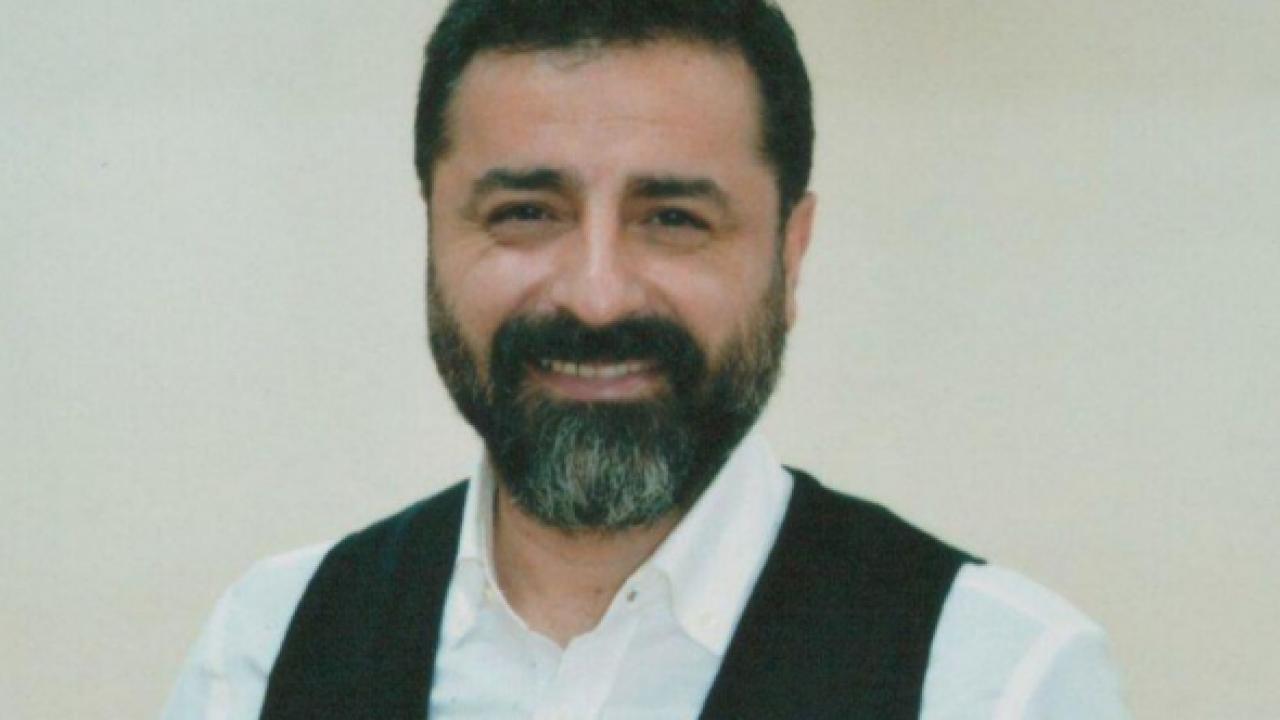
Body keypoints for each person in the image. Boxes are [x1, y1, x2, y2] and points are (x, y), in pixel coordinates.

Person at [163, 1, 1130, 718]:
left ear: (790, 255)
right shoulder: (264, 651)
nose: (597, 296)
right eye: (525, 213)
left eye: (673, 219)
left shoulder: (997, 681)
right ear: (433, 235)